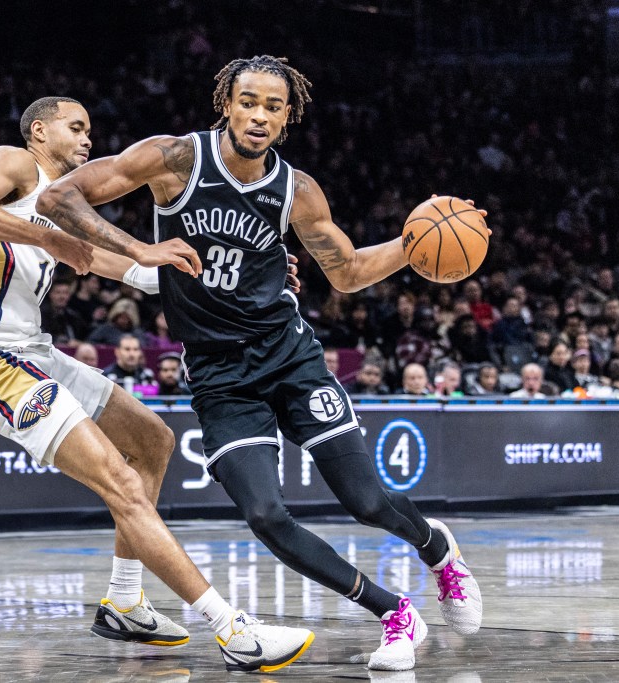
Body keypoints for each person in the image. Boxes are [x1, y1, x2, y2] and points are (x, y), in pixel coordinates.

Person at [39, 56, 482, 672]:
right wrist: (142, 249)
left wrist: (413, 245)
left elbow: (348, 272)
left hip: (289, 357)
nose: (259, 115)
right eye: (249, 101)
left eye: (274, 107)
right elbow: (62, 196)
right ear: (227, 102)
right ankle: (394, 613)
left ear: (287, 117)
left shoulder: (296, 191)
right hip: (220, 376)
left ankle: (439, 552)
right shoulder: (176, 160)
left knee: (368, 502)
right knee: (266, 515)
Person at [0, 95, 313, 672]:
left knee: (153, 441)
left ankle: (125, 601)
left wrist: (245, 274)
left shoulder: (63, 207)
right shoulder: (14, 164)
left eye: (91, 129)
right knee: (119, 481)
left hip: (34, 351)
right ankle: (232, 629)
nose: (88, 138)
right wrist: (46, 239)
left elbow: (120, 265)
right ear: (40, 131)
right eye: (76, 127)